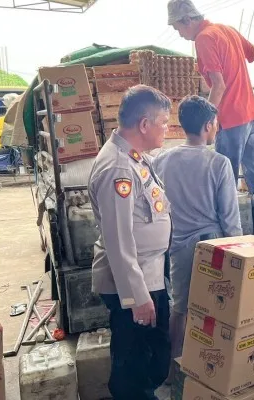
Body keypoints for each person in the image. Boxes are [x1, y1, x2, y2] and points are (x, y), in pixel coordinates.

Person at [168, 0, 254, 238]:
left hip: (230, 119)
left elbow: (219, 85)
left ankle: (230, 236)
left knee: (224, 176)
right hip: (250, 114)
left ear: (188, 20)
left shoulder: (204, 38)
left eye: (178, 28)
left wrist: (205, 119)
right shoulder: (226, 29)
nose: (180, 34)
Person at [88, 85, 172, 399]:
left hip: (148, 273)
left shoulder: (133, 157)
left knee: (149, 354)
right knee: (135, 361)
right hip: (134, 282)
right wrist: (137, 297)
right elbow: (118, 240)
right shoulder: (118, 168)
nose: (167, 129)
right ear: (144, 125)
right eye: (164, 122)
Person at [152, 95, 242, 367]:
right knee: (216, 307)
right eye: (215, 124)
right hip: (212, 247)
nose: (216, 129)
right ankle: (208, 365)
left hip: (176, 246)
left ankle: (173, 367)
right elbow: (229, 216)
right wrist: (240, 251)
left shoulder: (162, 160)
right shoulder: (219, 163)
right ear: (207, 125)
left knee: (180, 307)